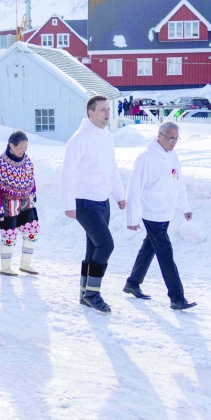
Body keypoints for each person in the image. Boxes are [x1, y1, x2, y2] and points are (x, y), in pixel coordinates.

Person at [60, 95, 126, 314]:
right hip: (84, 201)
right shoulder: (80, 139)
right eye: (102, 110)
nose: (107, 113)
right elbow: (67, 173)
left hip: (102, 201)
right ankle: (93, 294)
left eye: (108, 109)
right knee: (106, 245)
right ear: (91, 113)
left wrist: (119, 194)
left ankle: (84, 292)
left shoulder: (107, 137)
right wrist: (69, 204)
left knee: (94, 247)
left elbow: (112, 168)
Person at [123, 121, 196, 310]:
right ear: (159, 136)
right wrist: (132, 218)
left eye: (176, 138)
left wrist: (184, 207)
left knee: (150, 247)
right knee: (166, 254)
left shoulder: (173, 157)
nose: (173, 142)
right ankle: (177, 297)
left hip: (166, 212)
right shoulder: (146, 157)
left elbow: (177, 183)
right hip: (151, 213)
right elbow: (134, 189)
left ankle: (133, 283)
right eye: (170, 138)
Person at [0, 130, 39, 276]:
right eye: (21, 147)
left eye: (26, 147)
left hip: (26, 201)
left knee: (32, 230)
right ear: (11, 145)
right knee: (9, 235)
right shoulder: (1, 163)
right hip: (8, 204)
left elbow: (31, 177)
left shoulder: (27, 160)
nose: (23, 150)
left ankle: (26, 264)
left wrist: (33, 192)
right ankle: (5, 267)